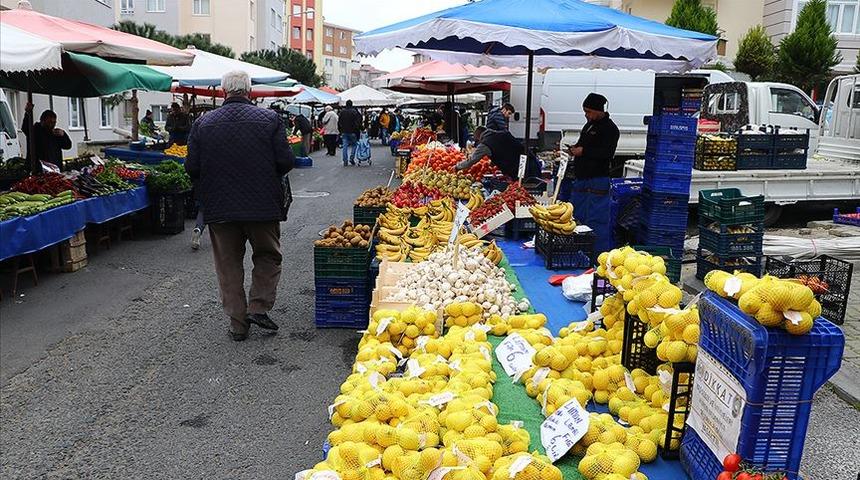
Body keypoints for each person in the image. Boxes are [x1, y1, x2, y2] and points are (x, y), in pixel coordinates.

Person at [185, 70, 295, 342]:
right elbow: (286, 162)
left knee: (228, 265)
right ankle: (258, 306)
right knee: (268, 255)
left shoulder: (203, 124)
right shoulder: (270, 119)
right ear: (249, 91)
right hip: (263, 205)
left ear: (224, 92)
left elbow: (191, 167)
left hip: (220, 207)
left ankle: (238, 324)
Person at [558, 93, 620, 254]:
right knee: (576, 217)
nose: (586, 115)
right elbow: (582, 144)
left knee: (596, 221)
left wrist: (583, 151)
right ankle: (577, 252)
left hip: (598, 180)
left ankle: (596, 256)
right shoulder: (589, 125)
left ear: (599, 110)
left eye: (589, 111)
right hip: (582, 179)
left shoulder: (611, 129)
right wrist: (573, 149)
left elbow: (607, 153)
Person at [455, 126, 539, 180]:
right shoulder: (500, 134)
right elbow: (502, 150)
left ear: (478, 136)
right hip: (529, 160)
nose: (478, 143)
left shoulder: (485, 143)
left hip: (521, 168)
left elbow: (472, 160)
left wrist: (457, 167)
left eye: (477, 140)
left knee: (525, 188)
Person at [21, 104, 71, 171]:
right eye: (50, 122)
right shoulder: (35, 131)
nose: (52, 125)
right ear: (42, 121)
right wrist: (27, 113)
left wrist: (64, 135)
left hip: (54, 169)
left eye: (54, 122)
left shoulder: (56, 133)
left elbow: (68, 145)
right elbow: (25, 128)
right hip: (38, 169)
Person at [338, 100, 363, 166]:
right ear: (352, 104)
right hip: (353, 131)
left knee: (345, 146)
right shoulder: (354, 112)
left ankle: (345, 160)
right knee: (354, 145)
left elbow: (339, 122)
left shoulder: (342, 112)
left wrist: (340, 130)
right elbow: (357, 123)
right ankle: (351, 158)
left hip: (344, 131)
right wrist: (359, 130)